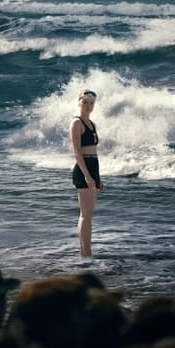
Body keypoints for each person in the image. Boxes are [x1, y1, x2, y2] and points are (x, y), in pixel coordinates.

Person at [69, 89, 103, 258]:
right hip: (83, 169)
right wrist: (87, 176)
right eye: (85, 102)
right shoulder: (76, 123)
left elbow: (94, 152)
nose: (88, 106)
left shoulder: (92, 124)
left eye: (91, 103)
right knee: (85, 215)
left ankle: (86, 253)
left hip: (93, 167)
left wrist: (98, 177)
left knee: (89, 215)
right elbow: (77, 152)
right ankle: (85, 255)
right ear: (79, 102)